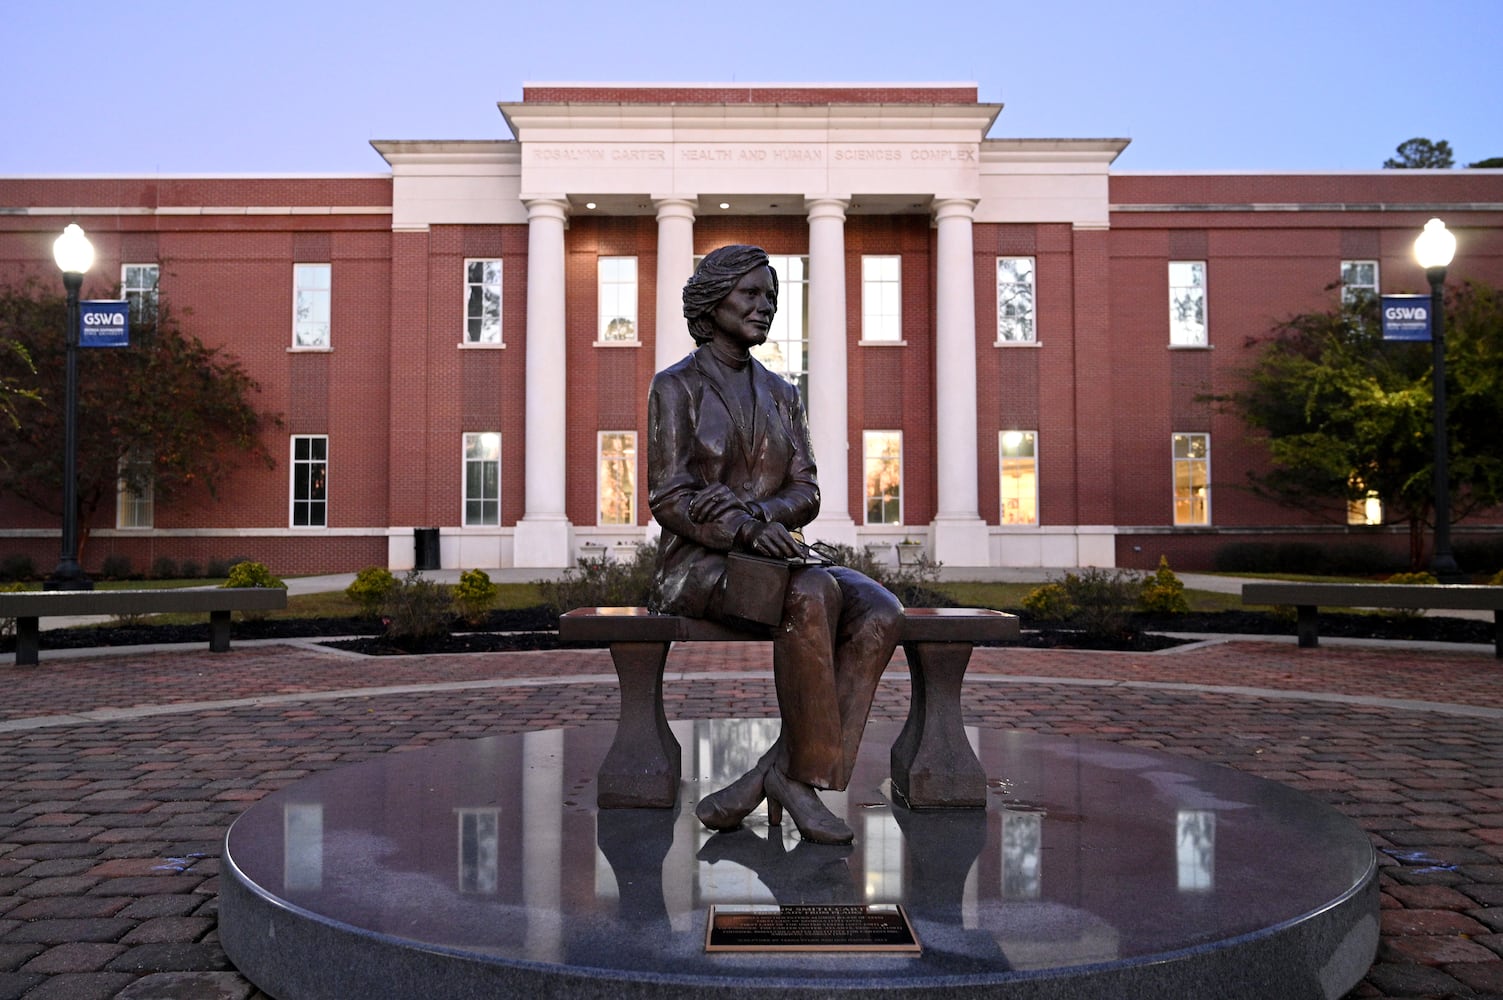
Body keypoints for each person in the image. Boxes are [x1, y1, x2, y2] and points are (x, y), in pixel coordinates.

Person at [647, 245, 903, 845]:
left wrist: (757, 515)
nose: (766, 307)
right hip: (699, 565)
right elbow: (669, 496)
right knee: (811, 592)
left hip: (776, 556)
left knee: (881, 613)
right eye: (752, 295)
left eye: (772, 297)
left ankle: (776, 774)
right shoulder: (676, 387)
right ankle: (801, 781)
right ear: (714, 303)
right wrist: (739, 529)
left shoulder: (784, 393)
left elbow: (806, 489)